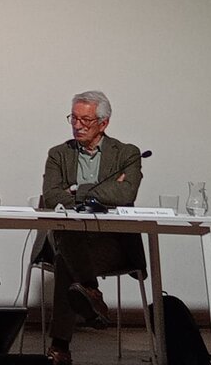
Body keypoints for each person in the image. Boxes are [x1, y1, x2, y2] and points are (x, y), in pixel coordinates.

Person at [41, 91, 146, 365]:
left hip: (111, 244)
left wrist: (77, 190)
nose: (77, 126)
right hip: (70, 239)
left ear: (104, 123)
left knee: (65, 258)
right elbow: (51, 197)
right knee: (67, 239)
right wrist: (103, 191)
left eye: (85, 120)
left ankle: (60, 346)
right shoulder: (59, 154)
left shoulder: (127, 154)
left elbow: (126, 194)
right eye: (73, 118)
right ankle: (90, 290)